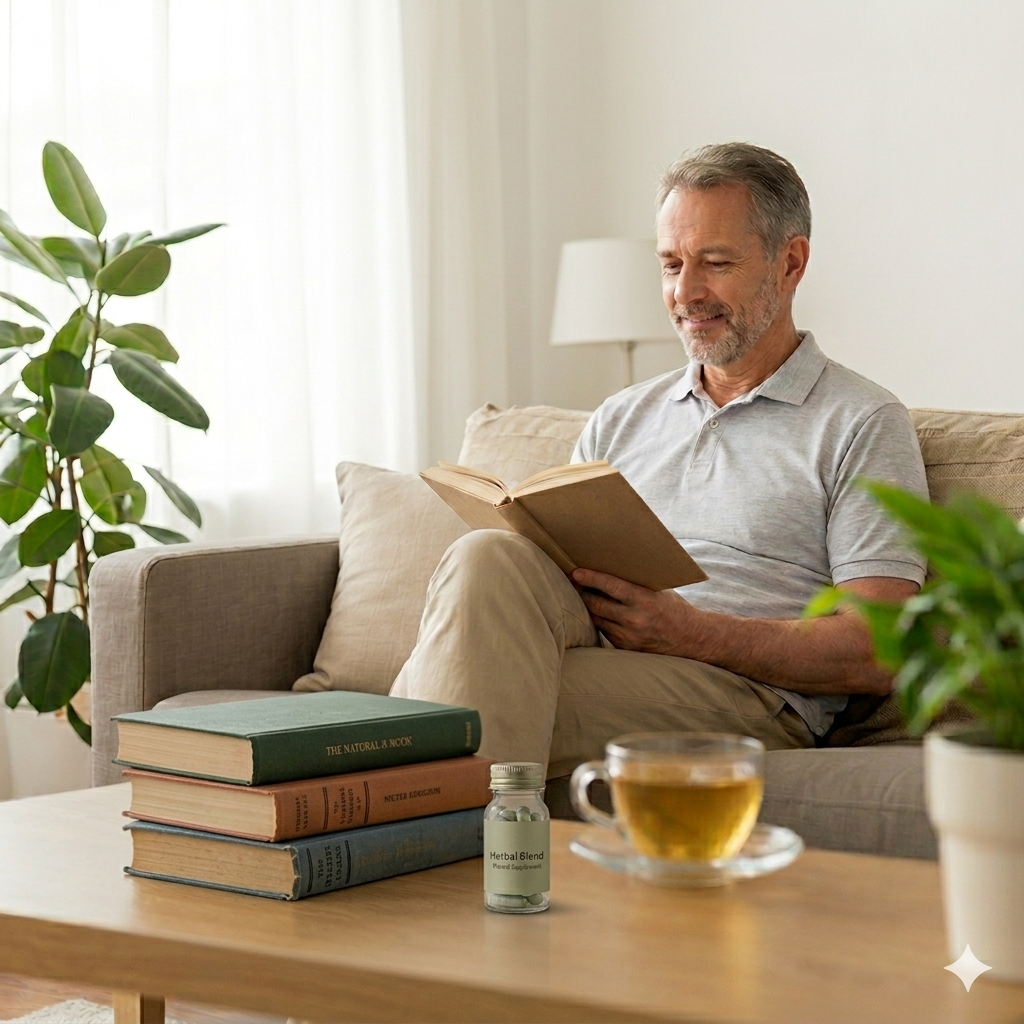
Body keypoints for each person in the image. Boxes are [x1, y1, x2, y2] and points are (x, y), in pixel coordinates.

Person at [391, 142, 928, 778]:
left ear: (791, 263)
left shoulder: (861, 421)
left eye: (715, 262)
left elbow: (881, 649)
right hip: (600, 648)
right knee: (487, 555)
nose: (686, 292)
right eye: (671, 264)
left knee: (461, 707)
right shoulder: (621, 417)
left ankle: (442, 856)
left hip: (746, 693)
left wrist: (694, 632)